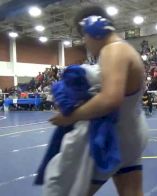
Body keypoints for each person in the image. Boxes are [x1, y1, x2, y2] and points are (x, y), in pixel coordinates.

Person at [48, 6, 148, 196]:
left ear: (94, 28)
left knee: (71, 190)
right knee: (132, 192)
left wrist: (70, 117)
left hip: (116, 137)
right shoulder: (125, 49)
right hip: (133, 132)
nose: (85, 43)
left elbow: (110, 99)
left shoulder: (113, 51)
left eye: (84, 37)